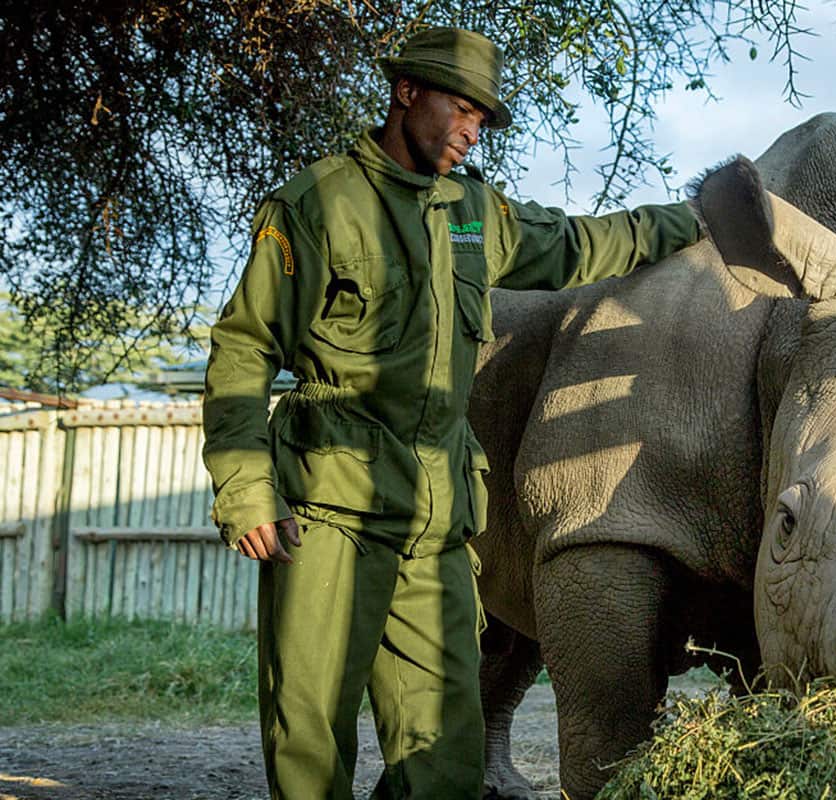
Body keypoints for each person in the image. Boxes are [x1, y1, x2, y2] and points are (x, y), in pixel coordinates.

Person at [201, 27, 702, 800]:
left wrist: (698, 219)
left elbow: (580, 245)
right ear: (407, 94)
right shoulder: (317, 204)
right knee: (309, 738)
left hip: (436, 518)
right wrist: (245, 489)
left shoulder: (474, 211)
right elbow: (242, 348)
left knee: (447, 755)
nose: (471, 133)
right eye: (461, 111)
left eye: (482, 120)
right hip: (329, 510)